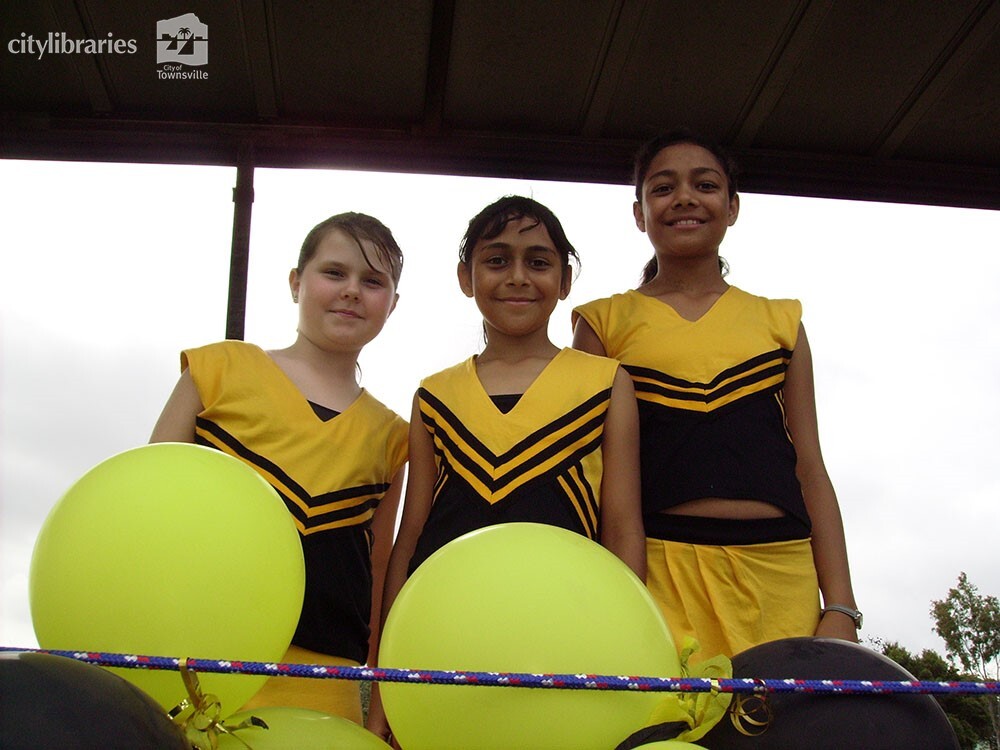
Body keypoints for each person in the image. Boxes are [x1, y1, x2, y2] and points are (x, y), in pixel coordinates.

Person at [572, 130, 861, 664]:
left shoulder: (782, 322)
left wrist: (840, 606)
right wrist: (610, 595)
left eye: (704, 185)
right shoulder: (603, 323)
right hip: (659, 573)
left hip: (780, 576)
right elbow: (598, 478)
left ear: (732, 208)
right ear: (639, 213)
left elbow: (811, 467)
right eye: (663, 188)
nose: (684, 198)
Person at [367, 196, 645, 742]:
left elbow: (622, 528)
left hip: (566, 642)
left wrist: (630, 657)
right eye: (496, 260)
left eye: (538, 262)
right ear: (465, 278)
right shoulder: (434, 394)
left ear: (565, 281)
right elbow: (412, 536)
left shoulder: (607, 382)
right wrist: (384, 688)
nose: (517, 277)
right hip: (442, 645)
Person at [150, 212, 408, 724]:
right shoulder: (216, 371)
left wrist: (378, 698)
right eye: (334, 273)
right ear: (296, 282)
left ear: (392, 304)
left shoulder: (393, 435)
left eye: (373, 281)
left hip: (323, 680)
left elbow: (379, 572)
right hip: (192, 656)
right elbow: (142, 505)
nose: (352, 291)